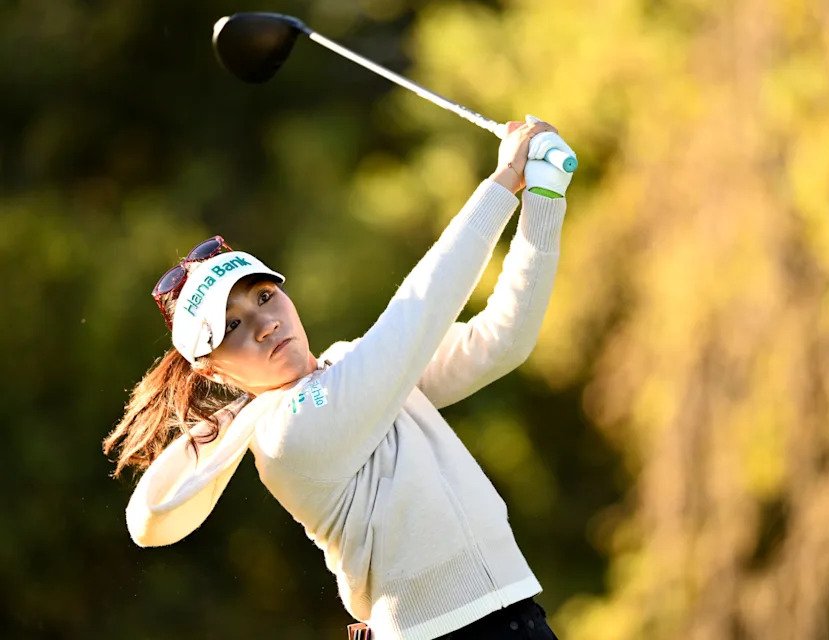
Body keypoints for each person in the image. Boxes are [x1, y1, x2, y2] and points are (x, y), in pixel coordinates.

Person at [103, 115, 576, 640]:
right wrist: (503, 182)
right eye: (232, 326)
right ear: (210, 368)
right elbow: (415, 315)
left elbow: (501, 339)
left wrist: (544, 196)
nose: (265, 324)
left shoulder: (353, 365)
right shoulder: (287, 436)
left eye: (264, 296)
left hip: (514, 611)